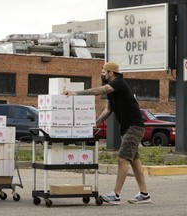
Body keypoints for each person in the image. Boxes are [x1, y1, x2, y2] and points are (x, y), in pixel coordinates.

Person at [64, 62, 151, 205]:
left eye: (104, 71)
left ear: (111, 73)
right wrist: (94, 124)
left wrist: (77, 93)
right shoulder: (112, 91)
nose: (102, 74)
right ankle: (144, 194)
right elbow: (108, 110)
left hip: (134, 127)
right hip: (128, 128)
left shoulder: (118, 83)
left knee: (122, 158)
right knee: (134, 161)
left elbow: (101, 90)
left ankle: (115, 195)